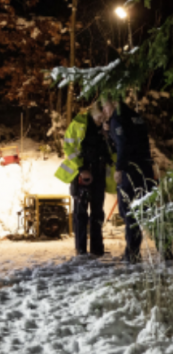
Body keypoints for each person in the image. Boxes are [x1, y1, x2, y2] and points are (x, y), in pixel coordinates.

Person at [54, 104, 116, 257]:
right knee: (81, 213)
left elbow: (112, 151)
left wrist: (108, 135)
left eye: (104, 117)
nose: (102, 120)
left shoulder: (106, 128)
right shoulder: (78, 125)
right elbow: (68, 148)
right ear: (94, 114)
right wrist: (82, 169)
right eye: (100, 117)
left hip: (99, 173)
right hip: (82, 174)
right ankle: (81, 249)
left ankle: (97, 249)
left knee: (97, 212)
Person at [101, 96, 158, 263]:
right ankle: (166, 248)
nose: (105, 111)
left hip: (130, 170)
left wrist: (119, 168)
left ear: (114, 103)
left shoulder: (117, 119)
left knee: (129, 212)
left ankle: (132, 253)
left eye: (105, 107)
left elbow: (122, 145)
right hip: (145, 169)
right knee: (146, 210)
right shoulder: (136, 116)